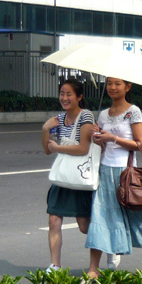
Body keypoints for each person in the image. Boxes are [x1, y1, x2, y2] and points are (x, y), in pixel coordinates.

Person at [84, 77, 142, 278]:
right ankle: (93, 268)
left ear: (127, 87)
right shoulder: (103, 114)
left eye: (117, 83)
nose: (112, 87)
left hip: (126, 173)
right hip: (105, 170)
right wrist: (98, 136)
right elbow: (102, 146)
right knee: (100, 216)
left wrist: (113, 138)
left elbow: (140, 144)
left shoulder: (133, 111)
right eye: (109, 83)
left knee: (139, 215)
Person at [41, 78, 94, 271]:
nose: (64, 98)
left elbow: (82, 148)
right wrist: (45, 129)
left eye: (69, 94)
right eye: (62, 93)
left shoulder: (86, 116)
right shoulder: (58, 119)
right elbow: (48, 149)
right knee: (54, 219)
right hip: (62, 176)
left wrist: (58, 148)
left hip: (79, 178)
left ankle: (108, 246)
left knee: (84, 226)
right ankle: (55, 264)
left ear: (79, 97)